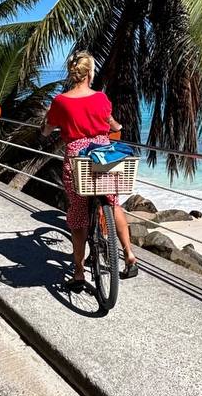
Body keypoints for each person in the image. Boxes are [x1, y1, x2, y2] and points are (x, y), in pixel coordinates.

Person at [43, 51, 138, 291]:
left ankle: (78, 273)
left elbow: (47, 130)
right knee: (113, 203)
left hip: (78, 158)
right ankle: (129, 255)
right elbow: (112, 124)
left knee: (78, 213)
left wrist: (48, 126)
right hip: (103, 155)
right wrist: (116, 126)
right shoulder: (101, 98)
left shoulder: (61, 101)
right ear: (90, 73)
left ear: (72, 73)